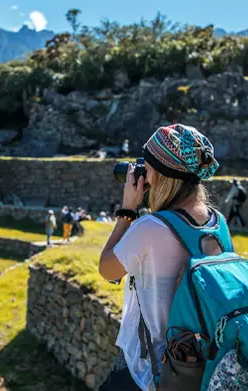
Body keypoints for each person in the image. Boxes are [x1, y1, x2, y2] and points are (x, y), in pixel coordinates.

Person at [97, 124, 221, 391]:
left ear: (164, 175)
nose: (144, 174)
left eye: (147, 166)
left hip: (148, 369)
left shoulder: (151, 228)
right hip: (194, 365)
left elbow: (108, 269)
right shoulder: (218, 224)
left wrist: (128, 210)